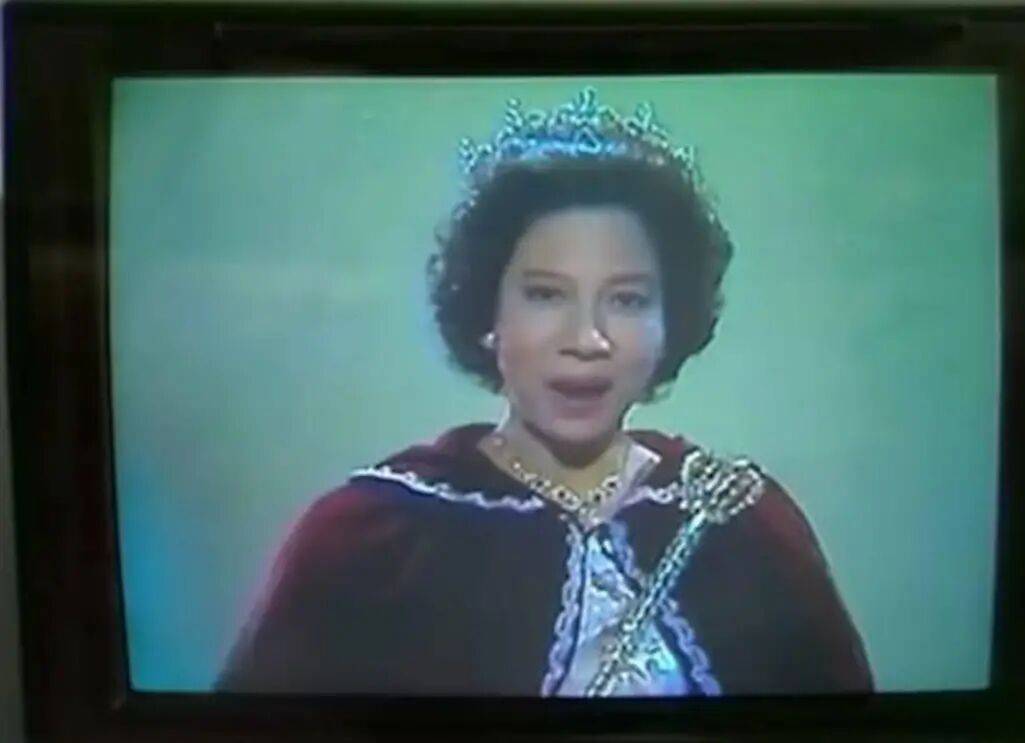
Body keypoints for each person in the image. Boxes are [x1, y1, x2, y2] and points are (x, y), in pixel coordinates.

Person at [216, 88, 873, 696]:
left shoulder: (737, 519)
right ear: (488, 314)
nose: (587, 338)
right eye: (545, 295)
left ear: (670, 322)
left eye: (627, 299)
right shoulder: (371, 540)